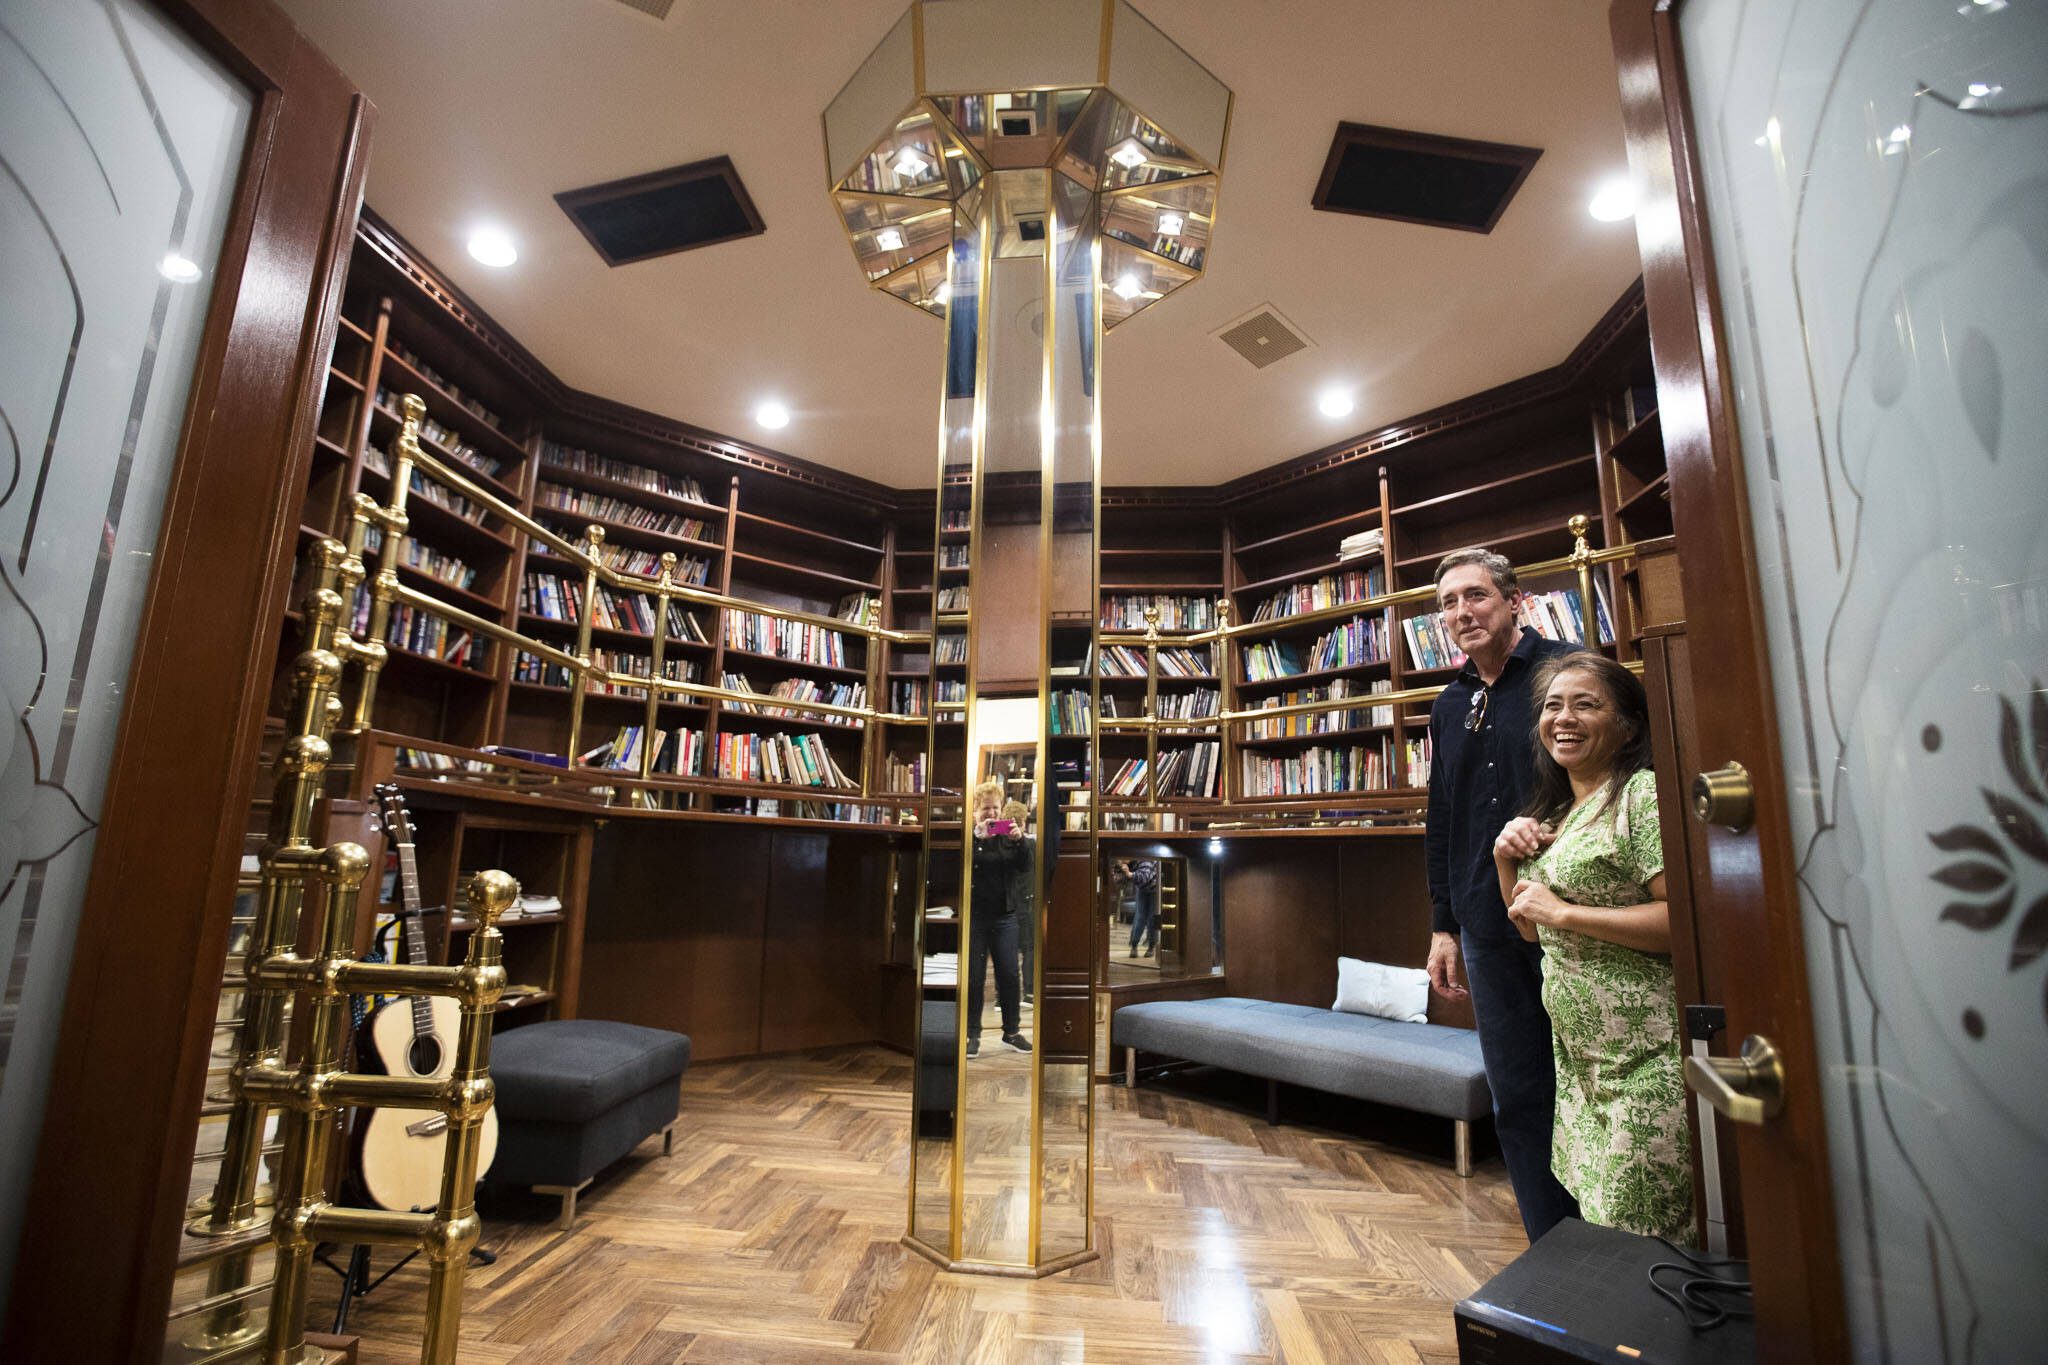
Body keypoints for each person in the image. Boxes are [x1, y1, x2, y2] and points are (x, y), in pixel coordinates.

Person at [1493, 653, 1693, 1241]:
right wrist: (1504, 858)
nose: (1564, 718)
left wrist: (1565, 911)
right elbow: (1530, 928)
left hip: (1647, 1061)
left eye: (1586, 704)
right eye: (1553, 706)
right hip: (1583, 1068)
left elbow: (1683, 922)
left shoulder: (1641, 796)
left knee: (1641, 1236)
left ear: (1628, 725)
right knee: (1605, 1228)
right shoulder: (1555, 811)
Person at [1423, 548, 1582, 1242]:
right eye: (1450, 603)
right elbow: (1443, 818)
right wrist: (1443, 926)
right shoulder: (1449, 704)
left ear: (1515, 600)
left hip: (1572, 916)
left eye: (1476, 596)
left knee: (1595, 1084)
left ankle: (1612, 1242)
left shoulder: (1565, 675)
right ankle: (1553, 1247)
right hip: (1486, 926)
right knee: (1518, 1093)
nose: (1463, 612)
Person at [966, 779, 1030, 1058]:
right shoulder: (968, 837)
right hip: (975, 918)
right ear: (974, 812)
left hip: (1005, 917)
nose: (991, 814)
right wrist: (976, 840)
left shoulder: (1009, 837)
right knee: (974, 978)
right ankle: (971, 1035)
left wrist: (1020, 841)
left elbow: (1026, 866)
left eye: (995, 808)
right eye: (985, 809)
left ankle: (1012, 1033)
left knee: (1009, 975)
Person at [1126, 857, 1159, 958]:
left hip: (1153, 889)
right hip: (1143, 889)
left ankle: (1151, 946)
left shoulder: (1145, 859)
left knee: (1151, 919)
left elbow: (1144, 877)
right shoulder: (1135, 860)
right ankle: (1135, 946)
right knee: (1140, 917)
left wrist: (1129, 873)